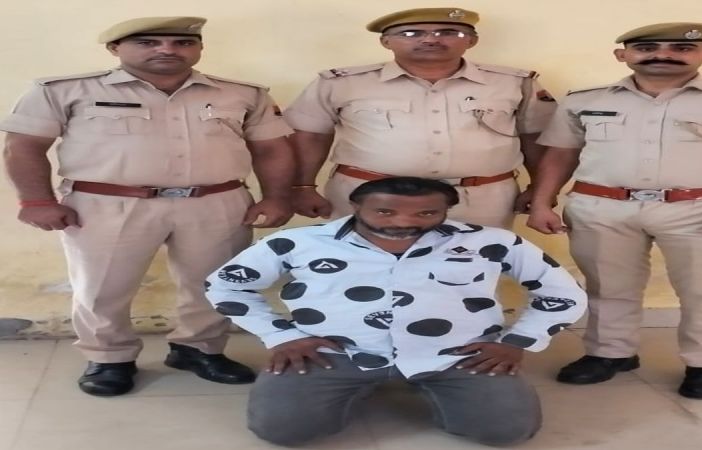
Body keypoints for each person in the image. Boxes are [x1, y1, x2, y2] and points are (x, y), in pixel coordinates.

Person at [0, 16, 296, 396]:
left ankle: (199, 349)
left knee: (213, 283)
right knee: (102, 287)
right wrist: (37, 200)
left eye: (182, 43)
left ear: (199, 48)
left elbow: (271, 149)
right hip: (107, 203)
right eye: (148, 42)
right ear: (114, 48)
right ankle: (109, 358)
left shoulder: (242, 94)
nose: (167, 50)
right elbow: (24, 146)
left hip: (215, 201)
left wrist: (277, 196)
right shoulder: (64, 90)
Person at [205, 177, 587, 446]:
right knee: (282, 432)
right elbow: (225, 285)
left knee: (506, 432)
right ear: (356, 206)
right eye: (385, 212)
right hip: (332, 352)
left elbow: (562, 293)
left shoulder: (491, 242)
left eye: (427, 214)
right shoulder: (297, 242)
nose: (404, 222)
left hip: (457, 354)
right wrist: (281, 335)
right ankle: (357, 385)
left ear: (447, 210)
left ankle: (438, 388)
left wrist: (517, 342)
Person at [528, 22, 702, 399]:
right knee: (607, 285)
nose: (663, 55)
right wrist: (543, 201)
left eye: (681, 48)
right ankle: (610, 353)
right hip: (602, 207)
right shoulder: (584, 99)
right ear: (622, 55)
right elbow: (561, 154)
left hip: (701, 209)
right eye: (647, 48)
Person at [285, 7, 557, 229]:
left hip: (483, 200)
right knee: (366, 267)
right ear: (385, 41)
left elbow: (537, 138)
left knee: (474, 269)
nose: (430, 40)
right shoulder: (342, 83)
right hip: (372, 196)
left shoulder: (513, 83)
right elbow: (310, 136)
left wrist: (540, 190)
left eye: (448, 32)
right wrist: (302, 186)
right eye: (411, 33)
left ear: (472, 40)